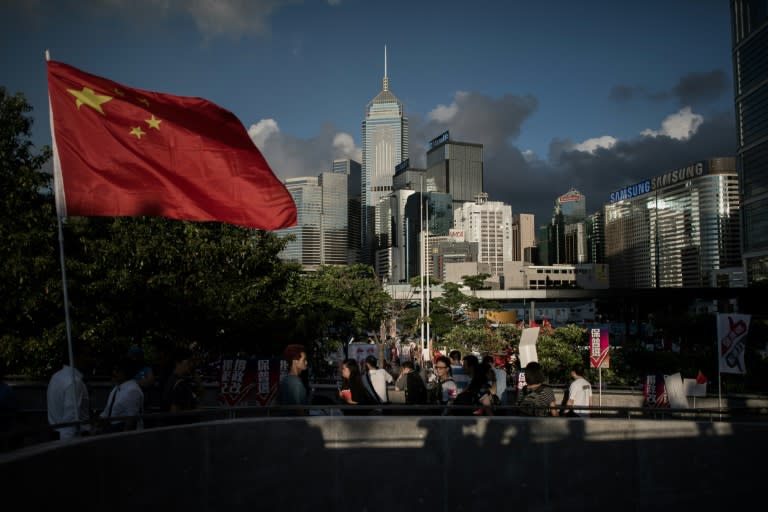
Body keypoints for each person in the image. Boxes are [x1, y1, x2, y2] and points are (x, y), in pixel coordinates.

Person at [46, 344, 91, 440]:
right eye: (86, 355)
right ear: (76, 357)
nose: (89, 359)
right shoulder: (74, 381)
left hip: (55, 434)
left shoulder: (56, 377)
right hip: (70, 439)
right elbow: (70, 421)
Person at [98, 356, 144, 432]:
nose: (114, 373)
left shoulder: (132, 391)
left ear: (125, 372)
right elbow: (106, 412)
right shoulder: (116, 388)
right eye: (114, 369)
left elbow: (131, 421)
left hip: (122, 435)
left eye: (117, 370)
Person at [161, 347, 200, 413]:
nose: (191, 364)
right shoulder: (179, 384)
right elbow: (174, 412)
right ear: (179, 362)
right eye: (189, 361)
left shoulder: (170, 379)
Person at [278, 344, 309, 413]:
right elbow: (299, 410)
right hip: (295, 422)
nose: (306, 362)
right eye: (304, 360)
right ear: (295, 361)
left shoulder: (285, 379)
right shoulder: (295, 383)